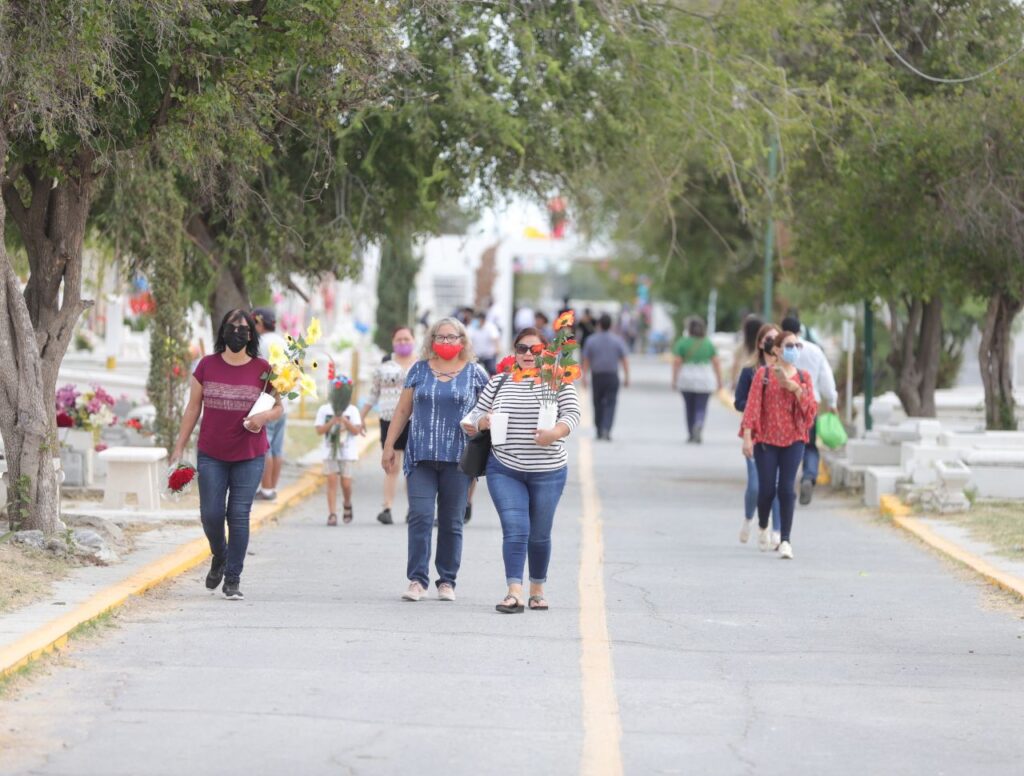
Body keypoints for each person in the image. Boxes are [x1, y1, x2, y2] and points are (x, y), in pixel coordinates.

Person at [462, 327, 581, 613]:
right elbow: (474, 415)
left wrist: (554, 433)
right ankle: (514, 591)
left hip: (548, 471)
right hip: (505, 468)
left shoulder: (557, 381)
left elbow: (573, 414)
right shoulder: (500, 381)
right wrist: (483, 422)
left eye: (535, 349)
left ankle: (537, 589)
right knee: (516, 529)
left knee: (539, 534)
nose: (528, 354)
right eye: (522, 348)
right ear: (514, 352)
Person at [171, 309, 282, 600]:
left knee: (239, 515)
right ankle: (219, 555)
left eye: (244, 328)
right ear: (222, 331)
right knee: (211, 513)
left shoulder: (263, 368)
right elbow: (193, 408)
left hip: (250, 453)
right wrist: (179, 446)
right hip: (212, 453)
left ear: (251, 335)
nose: (238, 332)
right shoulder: (206, 365)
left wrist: (264, 418)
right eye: (232, 327)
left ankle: (233, 577)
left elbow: (279, 406)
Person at [382, 317, 488, 602]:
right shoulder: (419, 370)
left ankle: (447, 580)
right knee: (421, 516)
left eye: (451, 337)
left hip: (459, 459)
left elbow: (489, 413)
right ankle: (417, 579)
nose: (445, 342)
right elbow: (403, 411)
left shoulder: (476, 374)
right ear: (431, 341)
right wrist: (389, 445)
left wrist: (481, 427)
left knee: (452, 521)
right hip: (421, 457)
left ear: (462, 341)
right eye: (440, 338)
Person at [740, 329, 817, 559]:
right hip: (767, 440)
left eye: (797, 346)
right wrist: (747, 437)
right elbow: (752, 407)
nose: (794, 350)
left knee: (786, 489)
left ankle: (785, 540)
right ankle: (763, 523)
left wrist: (794, 389)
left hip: (794, 439)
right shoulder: (763, 375)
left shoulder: (803, 378)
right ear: (777, 349)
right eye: (789, 346)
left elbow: (810, 412)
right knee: (766, 490)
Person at [362, 326, 418, 525]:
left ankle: (414, 508)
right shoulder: (384, 367)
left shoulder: (421, 365)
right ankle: (387, 507)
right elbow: (372, 394)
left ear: (413, 340)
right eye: (399, 339)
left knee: (412, 467)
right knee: (391, 465)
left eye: (406, 339)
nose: (403, 343)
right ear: (393, 342)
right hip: (388, 419)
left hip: (414, 420)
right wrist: (361, 416)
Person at [780, 316, 838, 506]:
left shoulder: (779, 350)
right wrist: (832, 401)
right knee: (810, 445)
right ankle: (808, 476)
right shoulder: (814, 350)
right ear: (800, 330)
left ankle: (785, 482)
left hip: (783, 406)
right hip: (810, 405)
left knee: (785, 445)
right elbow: (826, 378)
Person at [734, 321, 781, 547]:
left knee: (778, 484)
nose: (771, 343)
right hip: (755, 432)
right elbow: (738, 402)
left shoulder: (787, 372)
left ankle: (777, 531)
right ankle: (749, 519)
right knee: (756, 484)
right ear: (760, 343)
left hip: (780, 434)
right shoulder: (749, 371)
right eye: (767, 339)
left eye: (775, 339)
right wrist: (756, 404)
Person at [315, 376, 362, 526]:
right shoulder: (324, 409)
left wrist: (345, 420)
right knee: (331, 482)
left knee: (346, 483)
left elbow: (356, 431)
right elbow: (319, 430)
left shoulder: (352, 410)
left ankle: (347, 502)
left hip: (347, 452)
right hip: (329, 452)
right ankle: (332, 514)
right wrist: (332, 421)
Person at [252, 307, 287, 501]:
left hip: (268, 400)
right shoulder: (283, 341)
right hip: (285, 399)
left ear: (259, 323)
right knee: (278, 447)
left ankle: (265, 489)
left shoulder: (261, 342)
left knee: (266, 446)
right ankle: (272, 487)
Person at [671, 317, 722, 444]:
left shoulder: (682, 343)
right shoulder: (708, 343)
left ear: (689, 329)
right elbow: (716, 363)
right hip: (705, 378)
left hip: (687, 378)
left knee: (689, 407)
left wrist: (674, 379)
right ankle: (699, 423)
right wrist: (719, 381)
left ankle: (690, 433)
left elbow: (677, 362)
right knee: (701, 406)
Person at [581, 313, 630, 441]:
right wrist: (626, 376)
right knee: (611, 403)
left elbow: (586, 359)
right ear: (611, 325)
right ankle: (606, 429)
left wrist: (584, 377)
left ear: (599, 325)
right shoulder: (617, 340)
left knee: (597, 403)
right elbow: (624, 359)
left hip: (597, 376)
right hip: (612, 376)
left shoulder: (591, 340)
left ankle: (599, 429)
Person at [731, 314, 763, 390]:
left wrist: (733, 381)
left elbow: (735, 365)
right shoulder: (762, 346)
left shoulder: (741, 347)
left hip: (742, 380)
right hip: (760, 379)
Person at [469, 311, 501, 375]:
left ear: (483, 320)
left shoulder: (490, 327)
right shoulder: (473, 327)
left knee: (492, 370)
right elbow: (469, 339)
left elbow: (495, 338)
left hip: (489, 354)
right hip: (477, 354)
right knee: (473, 371)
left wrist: (497, 348)